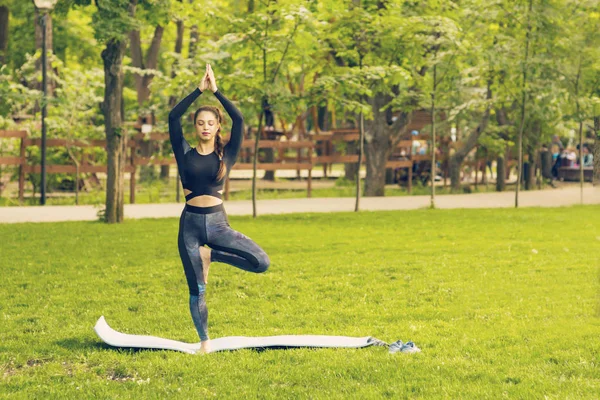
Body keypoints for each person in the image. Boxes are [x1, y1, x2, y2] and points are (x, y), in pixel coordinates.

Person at [168, 64, 270, 354]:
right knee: (197, 289)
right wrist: (198, 91)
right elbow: (173, 116)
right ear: (196, 127)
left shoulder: (227, 153)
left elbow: (239, 119)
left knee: (261, 262)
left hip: (218, 224)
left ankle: (211, 255)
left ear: (216, 127)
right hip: (189, 226)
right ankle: (204, 341)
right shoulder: (184, 152)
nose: (204, 127)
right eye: (200, 123)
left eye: (210, 123)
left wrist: (216, 91)